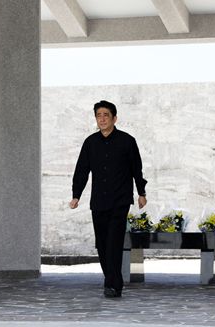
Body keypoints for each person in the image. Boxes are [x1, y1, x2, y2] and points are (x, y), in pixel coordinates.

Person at [70, 100, 147, 298]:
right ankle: (111, 279)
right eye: (99, 115)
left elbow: (136, 168)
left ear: (114, 118)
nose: (102, 119)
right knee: (102, 244)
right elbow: (81, 170)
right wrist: (76, 195)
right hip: (98, 202)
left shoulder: (127, 141)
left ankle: (113, 284)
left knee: (114, 241)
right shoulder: (90, 142)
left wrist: (141, 192)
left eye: (106, 115)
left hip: (120, 201)